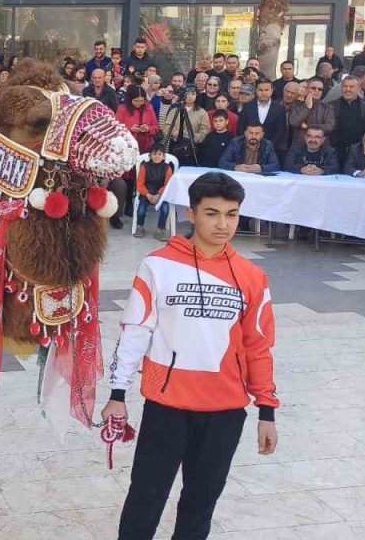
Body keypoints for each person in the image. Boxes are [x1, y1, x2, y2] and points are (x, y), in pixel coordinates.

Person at [103, 171, 279, 540]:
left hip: (226, 411)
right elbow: (135, 330)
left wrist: (266, 410)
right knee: (145, 500)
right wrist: (117, 394)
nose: (223, 224)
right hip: (167, 407)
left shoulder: (252, 276)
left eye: (231, 214)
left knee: (200, 505)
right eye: (212, 213)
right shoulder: (157, 266)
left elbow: (258, 347)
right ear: (192, 213)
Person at [159, 87, 209, 166]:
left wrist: (190, 136)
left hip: (192, 148)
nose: (190, 96)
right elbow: (166, 126)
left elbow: (204, 131)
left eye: (193, 94)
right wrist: (173, 132)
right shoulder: (175, 110)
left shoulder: (202, 112)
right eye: (187, 94)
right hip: (175, 145)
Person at [330, 77, 365, 169]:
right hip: (336, 151)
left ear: (358, 88)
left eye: (351, 86)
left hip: (360, 153)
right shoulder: (331, 106)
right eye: (345, 86)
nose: (347, 89)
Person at [134, 146, 174, 239]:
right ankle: (140, 226)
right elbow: (140, 183)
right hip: (146, 193)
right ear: (150, 156)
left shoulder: (167, 168)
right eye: (154, 154)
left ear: (164, 157)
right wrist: (147, 194)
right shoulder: (144, 167)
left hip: (161, 194)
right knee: (141, 210)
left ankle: (161, 229)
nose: (157, 156)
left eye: (160, 154)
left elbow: (168, 184)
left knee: (165, 209)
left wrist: (159, 195)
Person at [241, 81, 285, 154]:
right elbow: (241, 127)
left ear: (271, 91)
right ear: (256, 91)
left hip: (271, 149)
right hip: (248, 148)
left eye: (266, 90)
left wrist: (270, 146)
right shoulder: (248, 106)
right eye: (260, 90)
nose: (263, 93)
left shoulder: (279, 108)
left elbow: (281, 130)